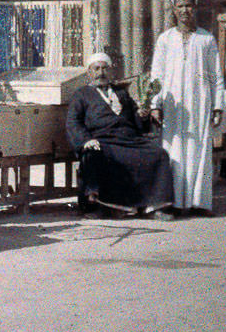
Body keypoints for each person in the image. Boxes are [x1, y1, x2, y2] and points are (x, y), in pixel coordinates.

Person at [66, 52, 174, 219]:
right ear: (89, 72)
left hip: (129, 140)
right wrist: (85, 140)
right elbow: (73, 122)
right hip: (102, 141)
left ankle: (154, 207)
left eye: (104, 69)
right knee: (94, 155)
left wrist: (142, 115)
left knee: (159, 154)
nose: (100, 73)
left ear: (110, 72)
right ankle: (105, 208)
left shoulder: (122, 93)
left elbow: (136, 121)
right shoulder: (81, 95)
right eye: (96, 69)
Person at [150, 0, 224, 216]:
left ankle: (198, 203)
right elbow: (157, 75)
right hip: (173, 104)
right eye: (180, 6)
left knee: (198, 149)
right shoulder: (165, 39)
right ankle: (171, 202)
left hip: (199, 102)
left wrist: (218, 105)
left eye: (188, 5)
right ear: (173, 9)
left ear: (196, 7)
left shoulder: (206, 39)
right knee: (173, 151)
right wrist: (155, 104)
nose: (184, 10)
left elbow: (216, 76)